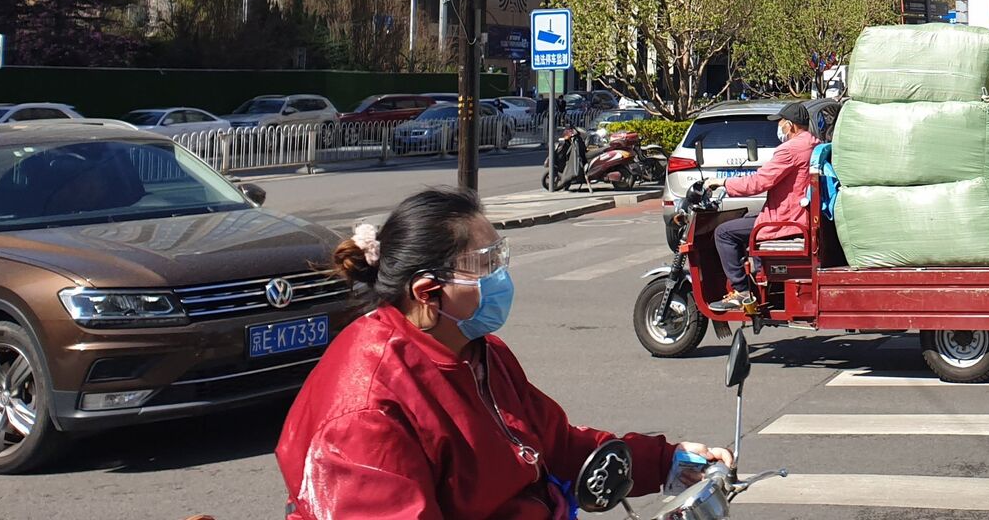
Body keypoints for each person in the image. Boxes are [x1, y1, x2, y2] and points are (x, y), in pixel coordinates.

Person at [276, 189, 730, 518]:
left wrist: (666, 461)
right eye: (486, 266)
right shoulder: (365, 409)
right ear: (428, 292)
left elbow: (552, 443)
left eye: (500, 259)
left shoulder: (478, 351)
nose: (501, 278)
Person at [703, 101, 816, 313]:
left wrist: (723, 182)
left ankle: (741, 291)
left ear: (790, 125)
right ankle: (757, 276)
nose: (779, 127)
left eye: (781, 122)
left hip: (788, 220)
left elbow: (758, 183)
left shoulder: (790, 149)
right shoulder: (813, 143)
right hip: (798, 215)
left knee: (723, 233)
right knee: (748, 221)